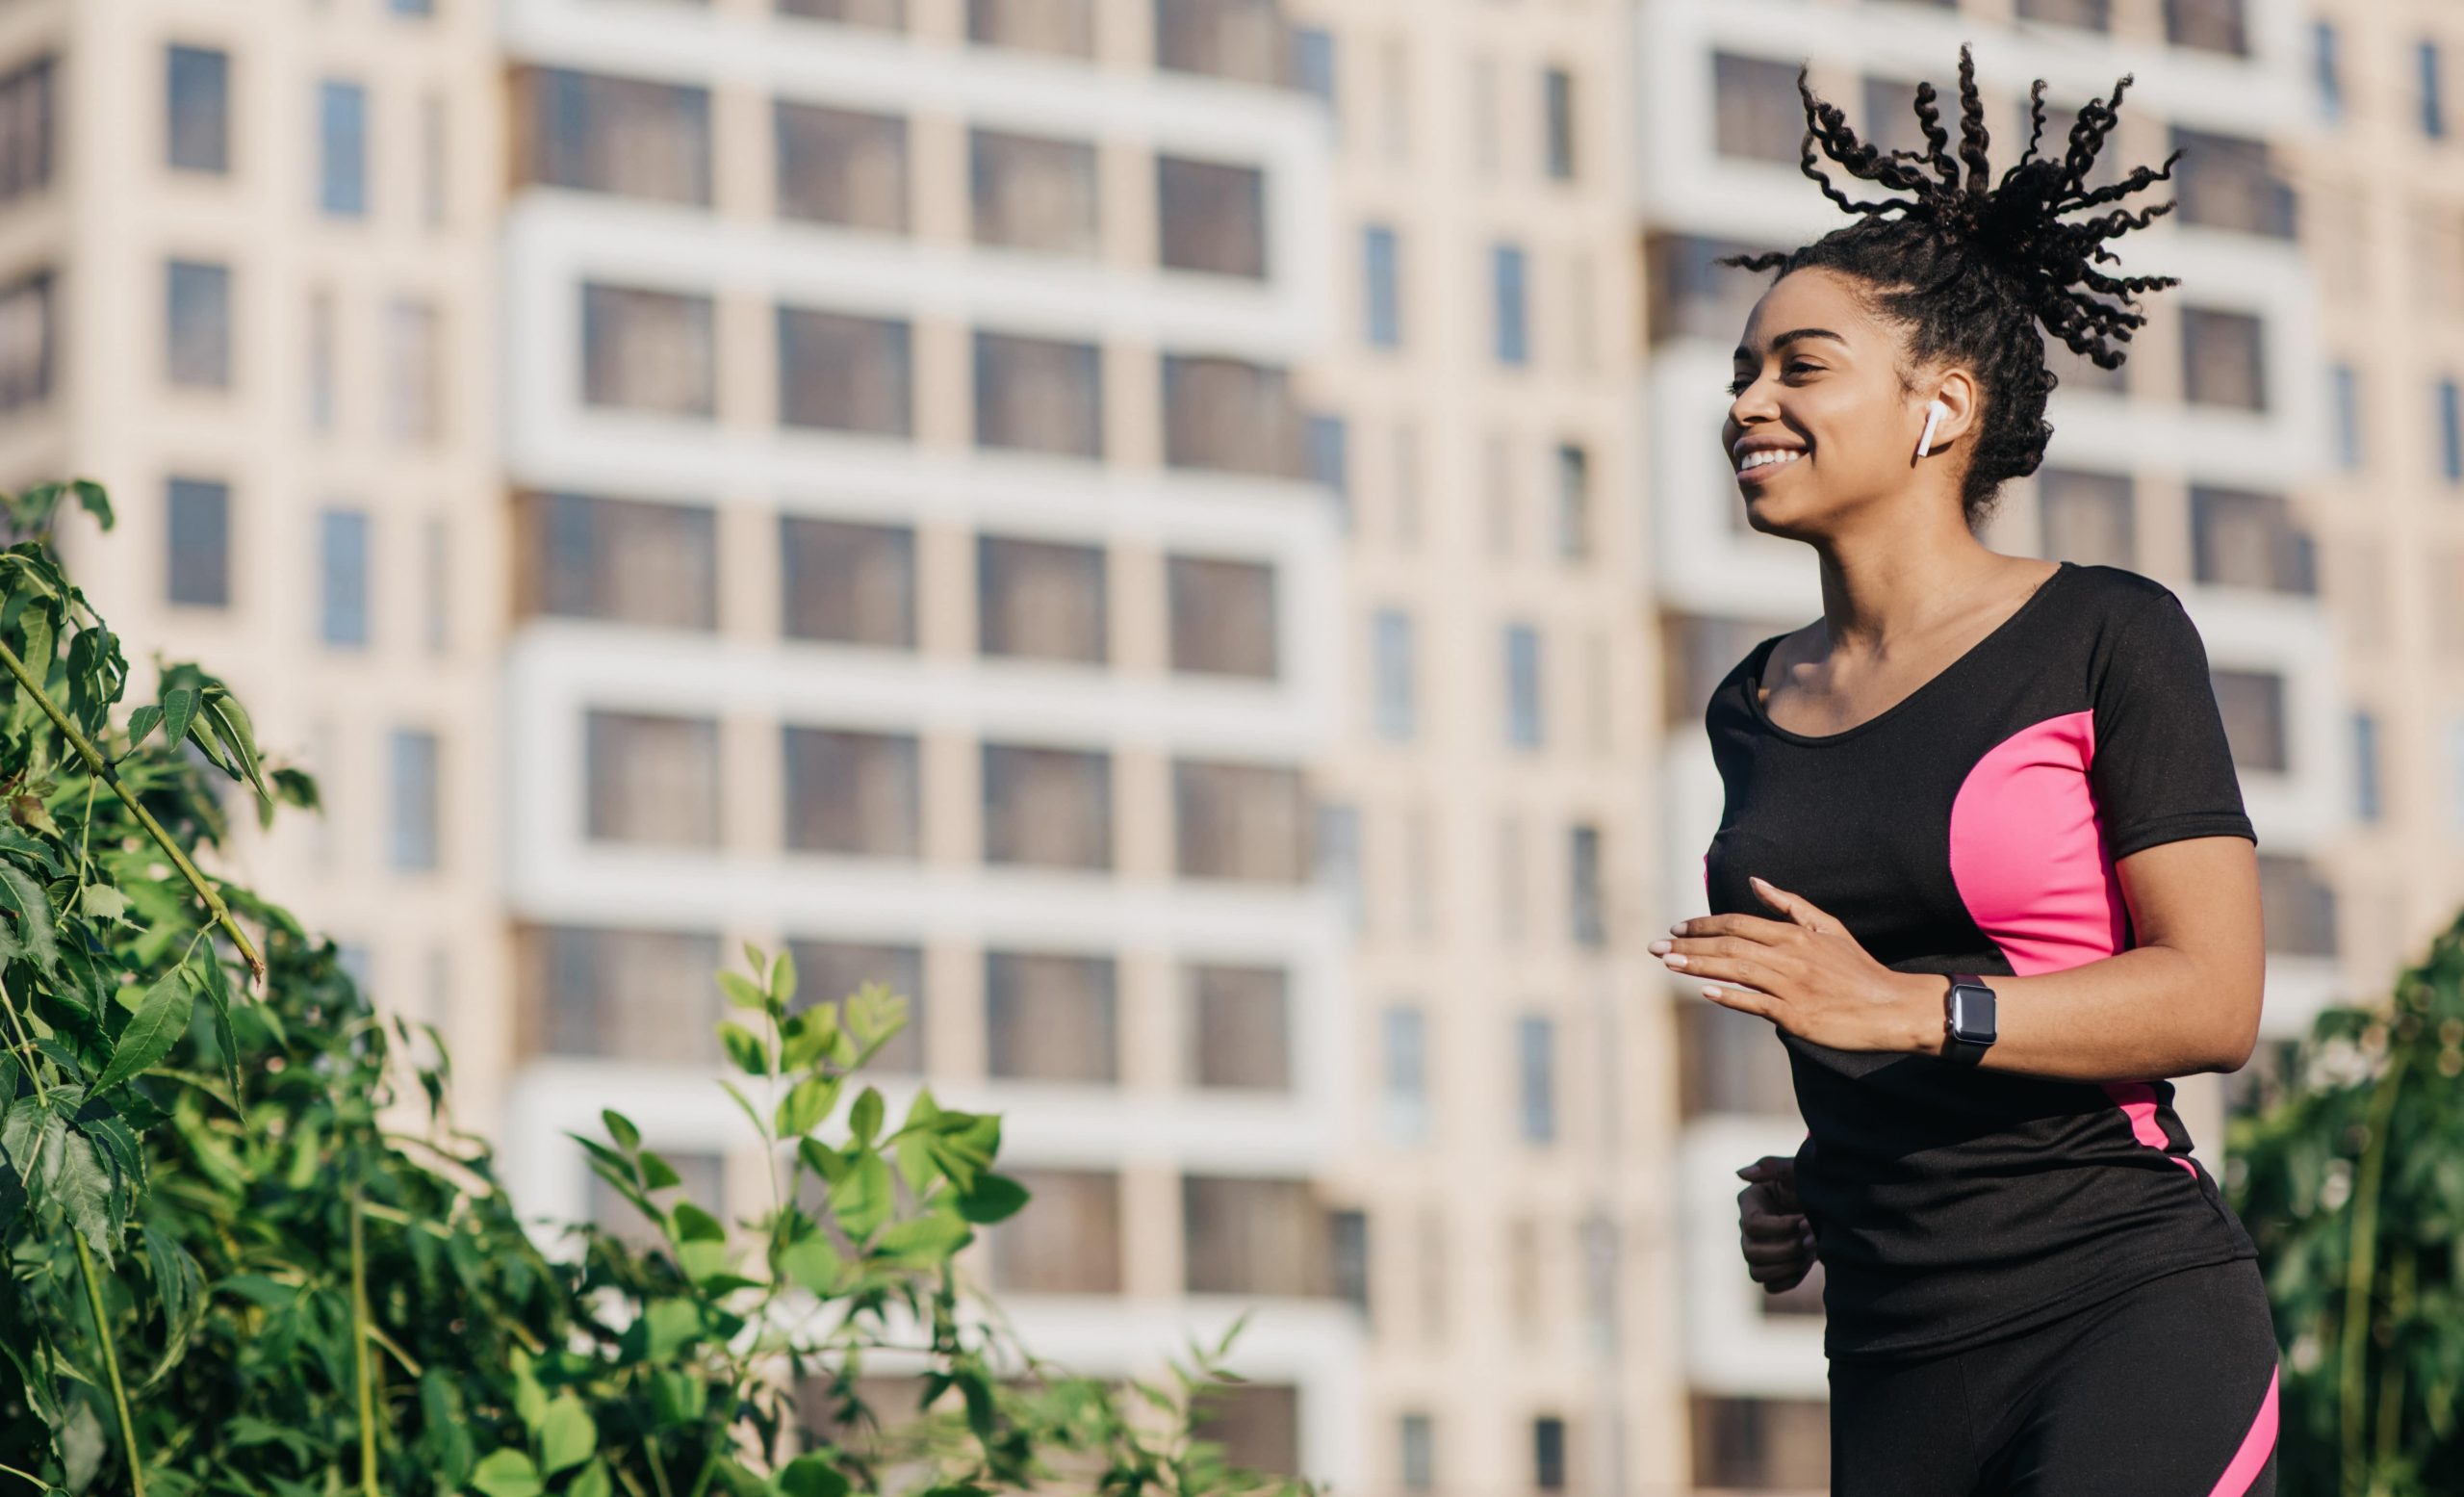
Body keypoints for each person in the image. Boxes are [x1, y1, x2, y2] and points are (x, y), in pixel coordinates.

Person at [1653, 45, 2281, 1496]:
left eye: (1801, 366)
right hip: (1888, 1351)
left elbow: (2215, 997)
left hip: (2124, 1308)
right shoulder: (1750, 703)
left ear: (1942, 406)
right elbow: (1849, 1004)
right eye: (1742, 369)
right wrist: (1823, 1174)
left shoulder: (2107, 634)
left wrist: (1901, 1009)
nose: (1747, 400)